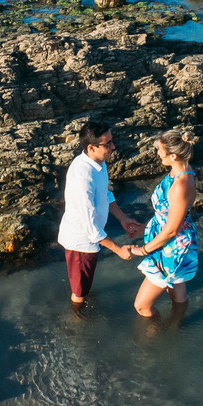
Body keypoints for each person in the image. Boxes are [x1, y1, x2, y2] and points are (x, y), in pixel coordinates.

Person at [57, 121, 144, 306]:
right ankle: (76, 326)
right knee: (79, 294)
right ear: (91, 147)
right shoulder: (84, 176)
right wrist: (118, 249)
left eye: (112, 141)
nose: (113, 147)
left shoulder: (98, 163)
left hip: (90, 239)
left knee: (84, 285)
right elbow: (90, 227)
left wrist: (123, 219)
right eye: (107, 144)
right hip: (81, 244)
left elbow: (105, 194)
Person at [128, 130, 199, 317]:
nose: (157, 153)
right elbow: (171, 215)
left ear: (173, 155)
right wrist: (145, 227)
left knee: (142, 306)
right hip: (171, 234)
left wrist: (143, 250)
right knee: (177, 284)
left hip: (172, 245)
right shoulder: (179, 169)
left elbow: (171, 230)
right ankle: (177, 325)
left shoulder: (181, 183)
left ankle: (155, 340)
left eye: (160, 149)